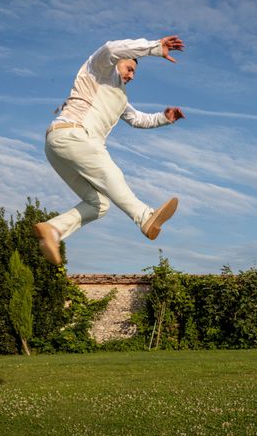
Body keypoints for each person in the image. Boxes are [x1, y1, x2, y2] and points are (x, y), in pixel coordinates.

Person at [34, 36, 186, 265]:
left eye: (135, 73)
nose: (131, 75)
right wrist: (154, 48)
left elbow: (137, 119)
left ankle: (53, 229)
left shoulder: (120, 97)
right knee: (111, 173)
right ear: (116, 62)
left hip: (60, 147)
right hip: (72, 134)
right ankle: (144, 216)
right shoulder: (98, 68)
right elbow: (111, 48)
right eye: (129, 68)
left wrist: (164, 118)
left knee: (99, 204)